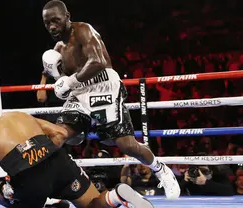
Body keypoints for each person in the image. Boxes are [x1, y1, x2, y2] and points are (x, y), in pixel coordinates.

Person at [40, 0, 180, 199]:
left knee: (126, 145)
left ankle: (160, 170)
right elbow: (56, 75)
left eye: (56, 20)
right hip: (80, 92)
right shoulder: (57, 50)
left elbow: (99, 62)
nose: (52, 26)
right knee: (60, 135)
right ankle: (52, 186)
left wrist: (69, 81)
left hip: (104, 86)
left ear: (67, 16)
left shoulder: (83, 31)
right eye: (47, 23)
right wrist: (59, 83)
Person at [0, 112, 154, 208]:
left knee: (5, 192)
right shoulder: (20, 115)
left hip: (28, 174)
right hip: (58, 160)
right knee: (93, 204)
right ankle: (117, 196)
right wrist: (44, 155)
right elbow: (60, 133)